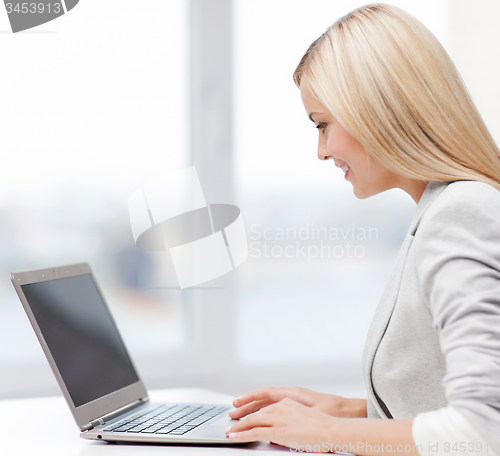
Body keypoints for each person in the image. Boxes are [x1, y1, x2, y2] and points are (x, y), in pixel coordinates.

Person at [225, 4, 500, 455]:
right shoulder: (441, 207)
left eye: (323, 125)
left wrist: (326, 435)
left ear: (378, 111)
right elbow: (446, 402)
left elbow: (484, 429)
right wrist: (346, 410)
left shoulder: (462, 212)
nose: (321, 150)